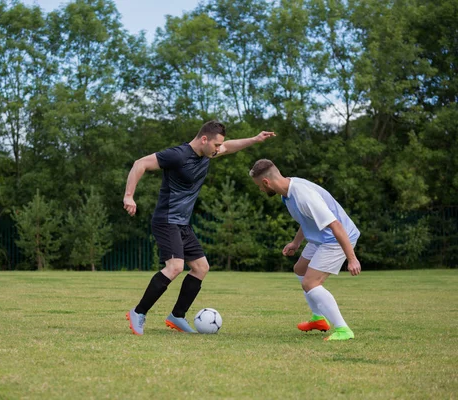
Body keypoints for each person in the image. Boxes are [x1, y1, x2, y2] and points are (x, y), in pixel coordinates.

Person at [123, 121, 275, 335]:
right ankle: (138, 312)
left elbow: (229, 146)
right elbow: (140, 163)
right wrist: (129, 196)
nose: (218, 149)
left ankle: (176, 316)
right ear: (204, 139)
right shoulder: (177, 155)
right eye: (216, 145)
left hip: (182, 223)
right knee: (175, 267)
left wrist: (255, 139)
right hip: (167, 220)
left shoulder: (207, 154)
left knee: (201, 268)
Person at [249, 159, 361, 341]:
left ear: (266, 182)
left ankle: (343, 330)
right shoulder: (286, 193)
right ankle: (318, 320)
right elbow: (306, 220)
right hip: (320, 237)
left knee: (310, 283)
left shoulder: (303, 196)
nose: (261, 190)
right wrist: (295, 243)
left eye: (259, 187)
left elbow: (336, 225)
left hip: (336, 239)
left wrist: (352, 259)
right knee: (300, 269)